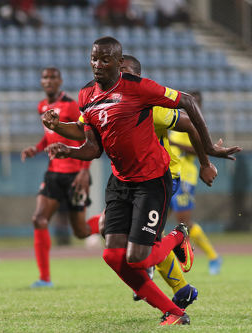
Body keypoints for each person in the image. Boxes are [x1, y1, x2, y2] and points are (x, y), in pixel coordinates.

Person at [45, 36, 230, 325]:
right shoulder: (86, 96)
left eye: (105, 59)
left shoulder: (141, 90)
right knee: (112, 256)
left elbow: (188, 106)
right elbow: (92, 147)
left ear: (119, 64)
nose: (97, 65)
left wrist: (208, 153)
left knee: (139, 258)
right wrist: (61, 137)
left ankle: (178, 236)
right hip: (120, 182)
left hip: (152, 180)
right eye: (94, 58)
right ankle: (174, 311)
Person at [20, 67, 100, 288]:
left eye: (52, 77)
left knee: (81, 231)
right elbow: (50, 136)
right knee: (39, 219)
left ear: (60, 81)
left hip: (76, 174)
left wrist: (85, 170)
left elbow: (87, 136)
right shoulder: (42, 106)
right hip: (54, 173)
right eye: (45, 77)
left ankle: (109, 219)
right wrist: (35, 149)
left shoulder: (71, 105)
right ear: (41, 80)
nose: (48, 81)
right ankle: (45, 279)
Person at [169, 92, 223, 275]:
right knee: (157, 222)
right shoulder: (178, 119)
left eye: (195, 102)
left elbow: (198, 149)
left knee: (184, 222)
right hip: (169, 174)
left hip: (185, 177)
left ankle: (213, 256)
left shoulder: (196, 124)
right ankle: (159, 262)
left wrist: (174, 144)